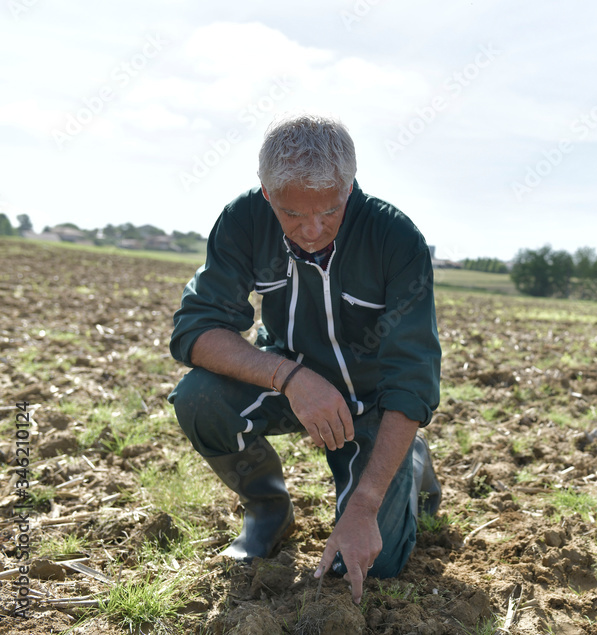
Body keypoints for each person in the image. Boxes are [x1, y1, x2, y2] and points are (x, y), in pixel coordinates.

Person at [167, 113, 442, 604]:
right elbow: (196, 329)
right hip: (288, 382)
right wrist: (290, 377)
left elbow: (413, 378)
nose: (312, 230)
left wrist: (366, 504)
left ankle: (409, 461)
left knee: (372, 563)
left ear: (350, 187)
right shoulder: (243, 221)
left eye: (331, 210)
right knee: (199, 397)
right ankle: (268, 511)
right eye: (293, 215)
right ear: (267, 194)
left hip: (372, 402)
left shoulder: (396, 239)